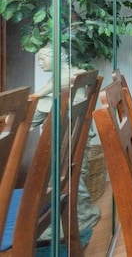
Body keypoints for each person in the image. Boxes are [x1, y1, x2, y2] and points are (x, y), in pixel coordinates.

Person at [31, 44, 101, 238]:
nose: (39, 62)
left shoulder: (71, 77)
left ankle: (80, 213)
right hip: (67, 139)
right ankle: (78, 212)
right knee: (62, 175)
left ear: (56, 58)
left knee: (62, 175)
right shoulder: (62, 79)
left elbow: (66, 80)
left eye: (42, 58)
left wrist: (37, 94)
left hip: (68, 140)